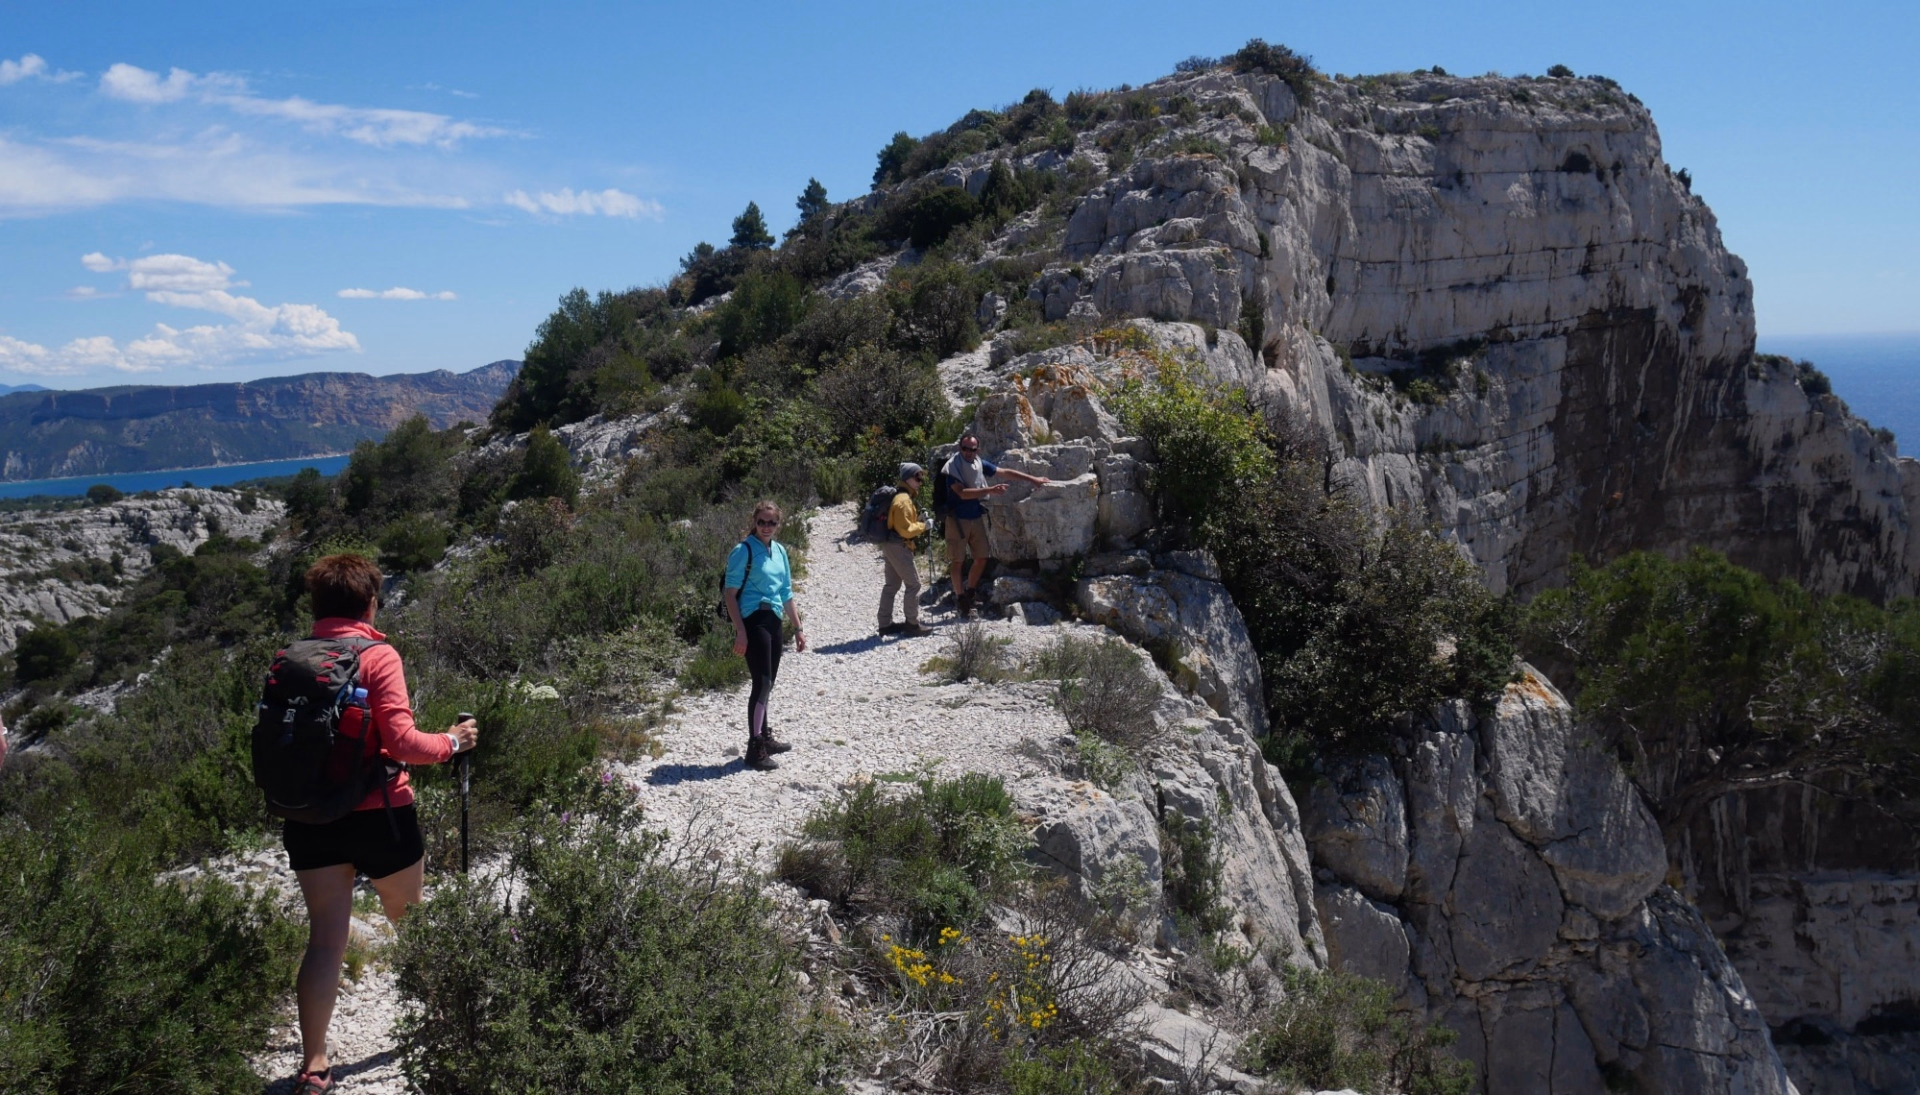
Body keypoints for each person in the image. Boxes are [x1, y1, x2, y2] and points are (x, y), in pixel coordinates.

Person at [285, 554, 478, 1095]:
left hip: (309, 818)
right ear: (371, 601)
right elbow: (402, 744)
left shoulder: (292, 659)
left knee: (325, 941)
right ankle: (449, 1023)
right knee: (412, 926)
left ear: (316, 605)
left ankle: (316, 1065)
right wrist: (453, 743)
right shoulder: (377, 654)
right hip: (381, 816)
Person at [724, 500, 808, 771]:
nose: (767, 527)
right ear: (754, 521)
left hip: (773, 620)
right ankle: (755, 748)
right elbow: (730, 595)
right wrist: (740, 632)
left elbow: (786, 593)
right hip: (753, 619)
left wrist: (798, 628)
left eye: (772, 522)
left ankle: (765, 735)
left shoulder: (780, 550)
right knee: (760, 684)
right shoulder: (743, 550)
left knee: (768, 682)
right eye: (762, 522)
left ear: (778, 524)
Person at [941, 433, 1050, 616]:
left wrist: (1033, 479)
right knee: (957, 561)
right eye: (965, 448)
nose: (968, 452)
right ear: (960, 448)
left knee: (982, 557)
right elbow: (962, 493)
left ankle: (970, 592)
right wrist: (990, 490)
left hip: (975, 517)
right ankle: (961, 598)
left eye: (972, 449)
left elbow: (1004, 472)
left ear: (978, 450)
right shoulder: (953, 468)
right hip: (957, 520)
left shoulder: (978, 463)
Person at [879, 463, 932, 637]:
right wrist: (924, 526)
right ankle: (912, 624)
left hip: (890, 545)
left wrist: (918, 521)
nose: (920, 480)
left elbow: (904, 522)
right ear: (908, 478)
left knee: (892, 585)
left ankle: (885, 624)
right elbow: (905, 529)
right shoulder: (903, 500)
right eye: (917, 477)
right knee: (914, 584)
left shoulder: (900, 496)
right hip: (898, 546)